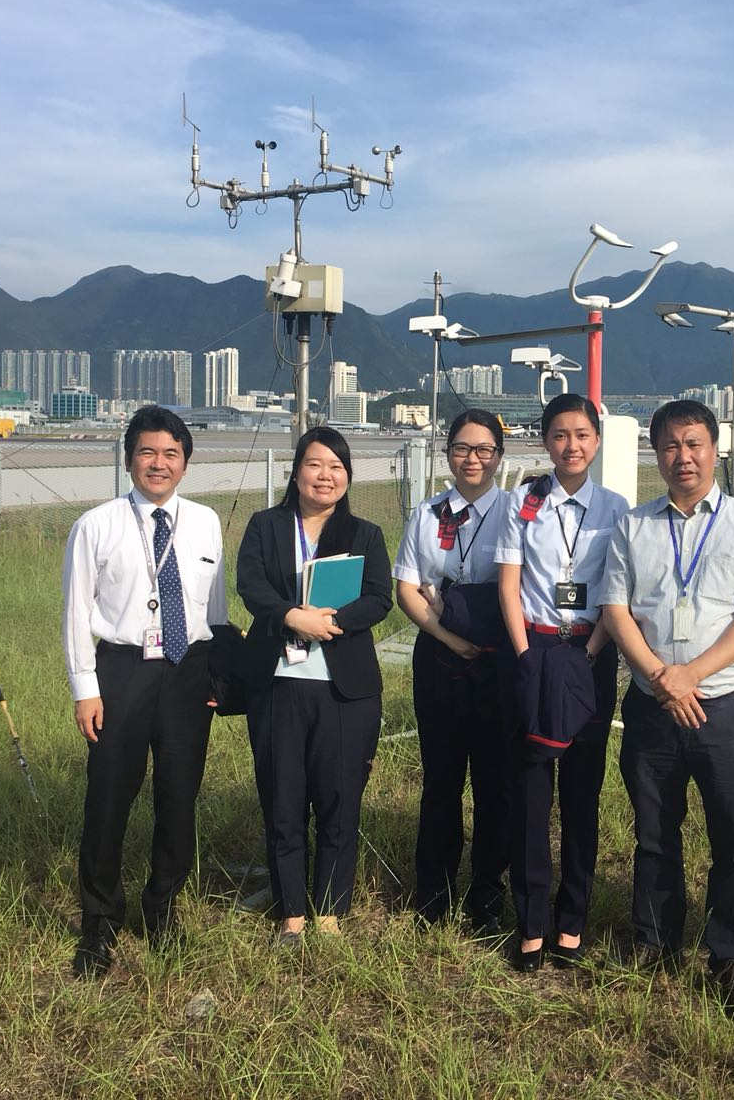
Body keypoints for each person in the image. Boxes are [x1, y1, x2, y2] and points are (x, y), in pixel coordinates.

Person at [600, 400, 734, 1013]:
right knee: (654, 833)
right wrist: (658, 676)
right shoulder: (634, 525)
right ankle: (655, 941)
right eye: (672, 445)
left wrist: (690, 676)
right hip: (652, 703)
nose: (685, 456)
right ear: (658, 454)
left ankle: (731, 956)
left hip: (723, 706)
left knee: (733, 837)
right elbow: (616, 609)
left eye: (696, 443)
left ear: (715, 448)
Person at [62, 405, 228, 979]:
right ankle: (99, 920)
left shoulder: (206, 522)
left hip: (188, 672)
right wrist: (86, 689)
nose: (159, 464)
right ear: (129, 458)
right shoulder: (97, 524)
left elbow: (217, 609)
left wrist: (218, 679)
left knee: (178, 797)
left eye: (171, 454)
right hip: (122, 672)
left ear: (186, 463)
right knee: (108, 797)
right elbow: (76, 613)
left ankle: (162, 907)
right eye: (147, 453)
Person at [236, 426, 392, 942]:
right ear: (296, 470)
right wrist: (290, 617)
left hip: (344, 688)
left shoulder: (365, 534)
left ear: (347, 478)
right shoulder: (266, 525)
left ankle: (328, 910)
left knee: (338, 798)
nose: (325, 476)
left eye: (337, 467)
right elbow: (251, 585)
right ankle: (292, 913)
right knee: (283, 799)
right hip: (277, 683)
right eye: (315, 464)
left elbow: (378, 598)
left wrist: (332, 624)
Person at [495, 392, 629, 972]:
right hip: (535, 647)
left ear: (596, 442)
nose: (571, 446)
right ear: (544, 440)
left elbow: (618, 587)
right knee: (528, 793)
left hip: (591, 652)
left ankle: (571, 920)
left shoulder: (618, 508)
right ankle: (531, 922)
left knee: (581, 793)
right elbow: (509, 581)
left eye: (581, 435)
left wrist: (593, 650)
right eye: (559, 435)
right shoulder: (522, 501)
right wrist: (525, 655)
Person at [393, 409, 513, 930]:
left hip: (498, 663)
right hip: (440, 660)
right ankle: (433, 891)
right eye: (463, 448)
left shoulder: (515, 512)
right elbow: (407, 587)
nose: (473, 459)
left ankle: (488, 893)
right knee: (440, 780)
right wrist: (445, 636)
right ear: (447, 453)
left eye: (484, 449)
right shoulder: (426, 513)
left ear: (499, 457)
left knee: (494, 783)